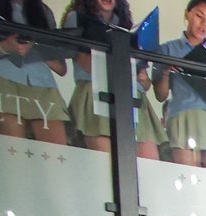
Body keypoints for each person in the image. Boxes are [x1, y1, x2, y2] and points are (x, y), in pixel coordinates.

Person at [62, 0, 163, 158]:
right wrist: (125, 63)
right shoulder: (77, 17)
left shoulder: (126, 25)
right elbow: (86, 63)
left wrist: (141, 76)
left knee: (149, 163)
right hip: (96, 92)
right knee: (108, 162)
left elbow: (146, 83)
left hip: (132, 96)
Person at [0, 0, 71, 145]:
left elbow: (61, 68)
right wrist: (6, 46)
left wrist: (38, 47)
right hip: (3, 79)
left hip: (43, 85)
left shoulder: (43, 11)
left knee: (56, 154)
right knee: (14, 152)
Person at [153, 0, 206, 171]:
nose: (204, 24)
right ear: (187, 14)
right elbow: (160, 95)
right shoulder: (168, 49)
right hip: (183, 114)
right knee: (187, 176)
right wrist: (167, 72)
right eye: (199, 16)